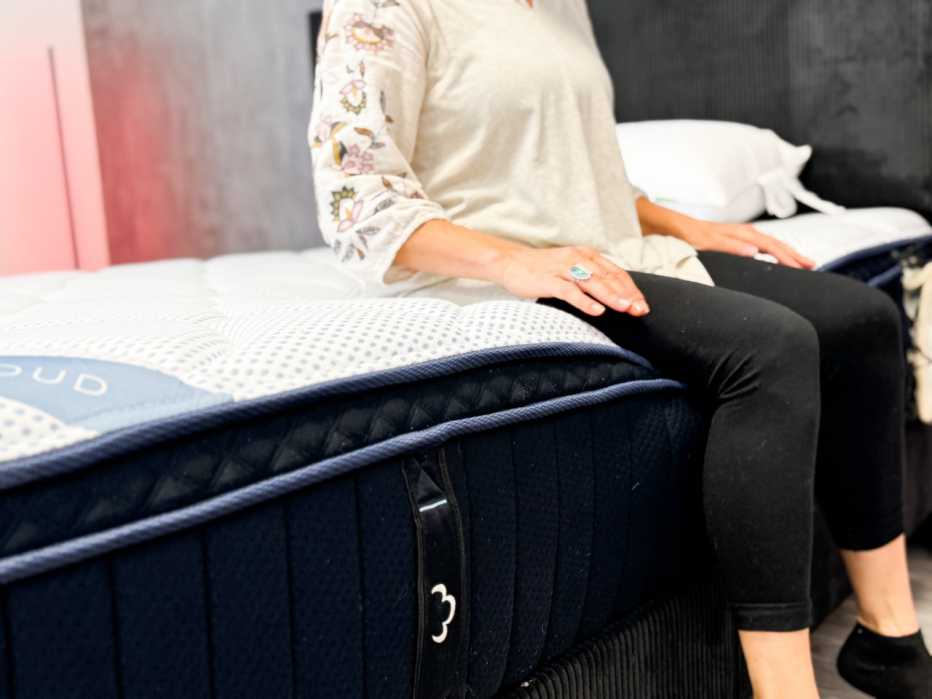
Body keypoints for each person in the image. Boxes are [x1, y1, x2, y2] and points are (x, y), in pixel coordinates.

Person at [309, 0, 932, 696]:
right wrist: (512, 261)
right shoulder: (382, 7)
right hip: (493, 271)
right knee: (771, 349)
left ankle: (890, 640)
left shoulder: (560, 6)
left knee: (865, 320)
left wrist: (690, 226)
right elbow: (355, 199)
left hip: (610, 249)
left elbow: (584, 169)